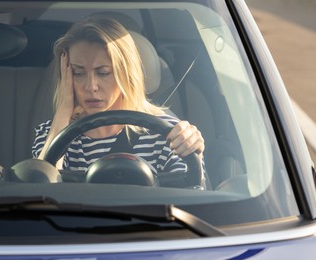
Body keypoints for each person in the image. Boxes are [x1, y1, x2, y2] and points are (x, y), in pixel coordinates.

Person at [32, 15, 205, 182]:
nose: (91, 86)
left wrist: (191, 149)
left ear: (126, 74)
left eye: (103, 72)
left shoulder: (167, 133)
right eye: (78, 73)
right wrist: (63, 109)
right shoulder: (53, 133)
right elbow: (42, 190)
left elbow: (189, 193)